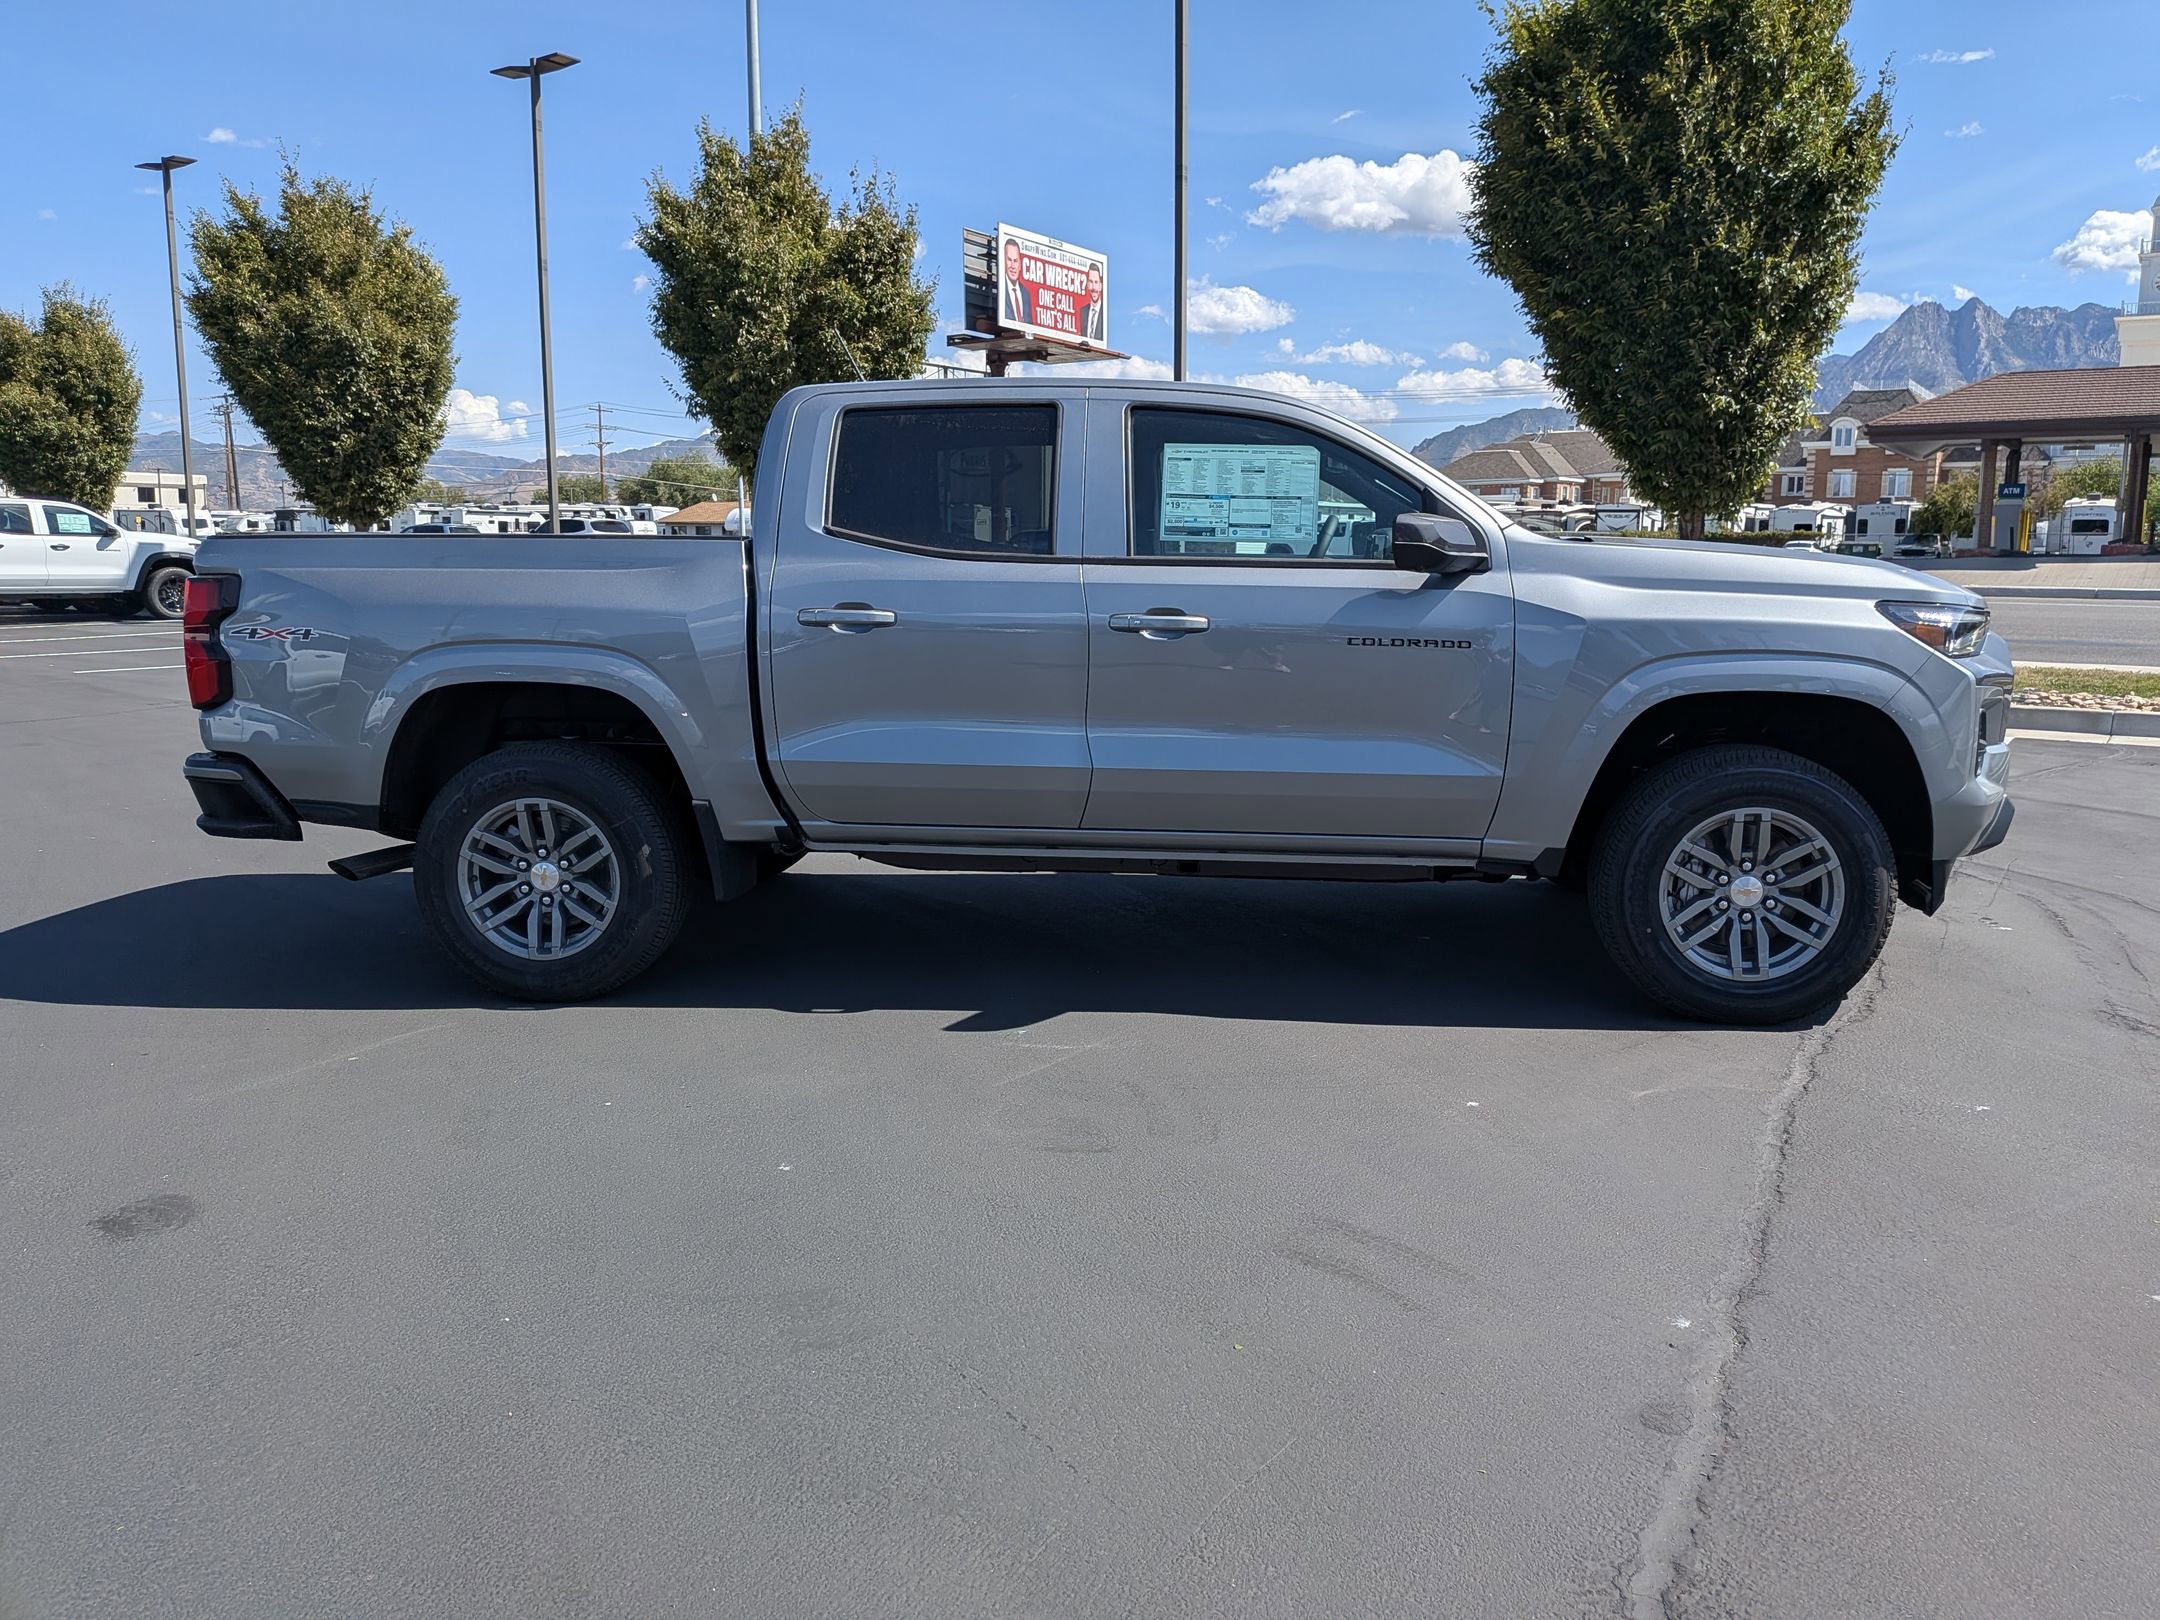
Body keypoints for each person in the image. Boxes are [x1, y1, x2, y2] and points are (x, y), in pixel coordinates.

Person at [1002, 238, 1032, 327]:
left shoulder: (1025, 293)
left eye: (1015, 261)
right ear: (1003, 261)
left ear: (1020, 265)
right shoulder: (1001, 289)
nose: (1012, 266)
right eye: (1009, 260)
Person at [1084, 263, 1106, 343]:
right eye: (1091, 282)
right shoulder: (1083, 312)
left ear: (1100, 285)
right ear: (1087, 284)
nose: (1094, 287)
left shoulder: (1104, 313)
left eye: (1096, 282)